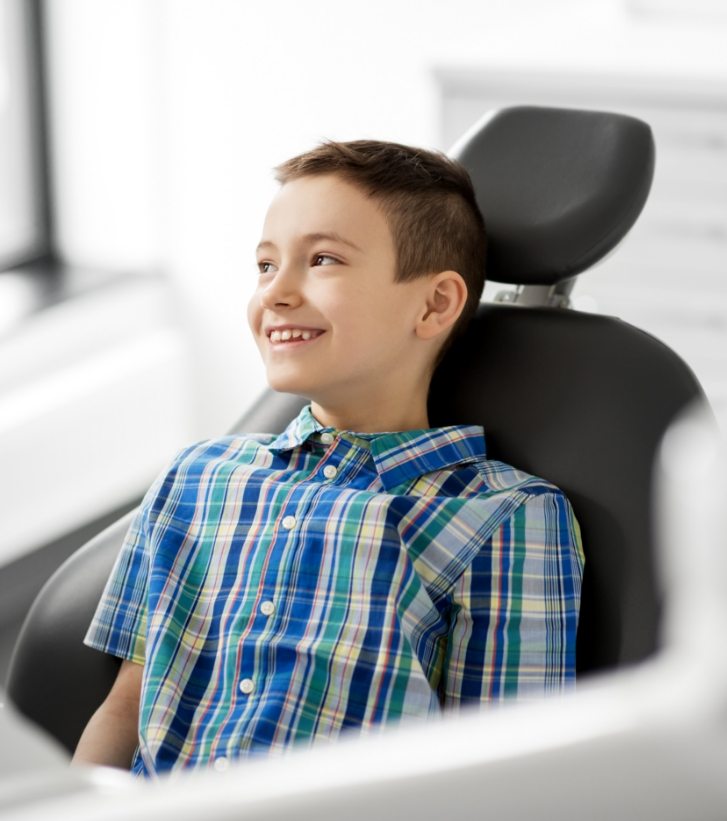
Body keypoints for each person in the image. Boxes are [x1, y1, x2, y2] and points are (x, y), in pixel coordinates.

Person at [72, 140, 584, 776]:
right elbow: (126, 709)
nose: (276, 293)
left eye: (321, 260)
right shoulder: (197, 477)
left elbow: (505, 776)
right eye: (264, 266)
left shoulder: (502, 517)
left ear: (434, 305)